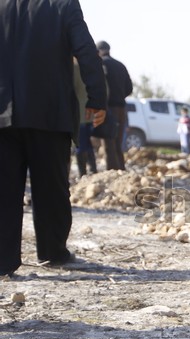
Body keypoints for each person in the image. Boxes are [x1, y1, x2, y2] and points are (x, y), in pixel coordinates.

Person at [0, 0, 107, 278]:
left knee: (4, 189)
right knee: (52, 188)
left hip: (2, 113)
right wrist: (97, 98)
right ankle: (52, 252)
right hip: (50, 111)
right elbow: (85, 50)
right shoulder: (62, 4)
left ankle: (3, 260)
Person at [96, 40, 132, 170]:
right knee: (118, 144)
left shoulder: (100, 64)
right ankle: (122, 171)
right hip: (122, 109)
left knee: (108, 144)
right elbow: (129, 88)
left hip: (108, 108)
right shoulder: (120, 65)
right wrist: (119, 96)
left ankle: (112, 173)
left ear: (98, 51)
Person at [73, 58, 98, 177]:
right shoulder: (92, 69)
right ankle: (93, 170)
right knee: (88, 144)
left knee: (80, 145)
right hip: (92, 114)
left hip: (80, 114)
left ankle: (82, 173)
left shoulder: (74, 69)